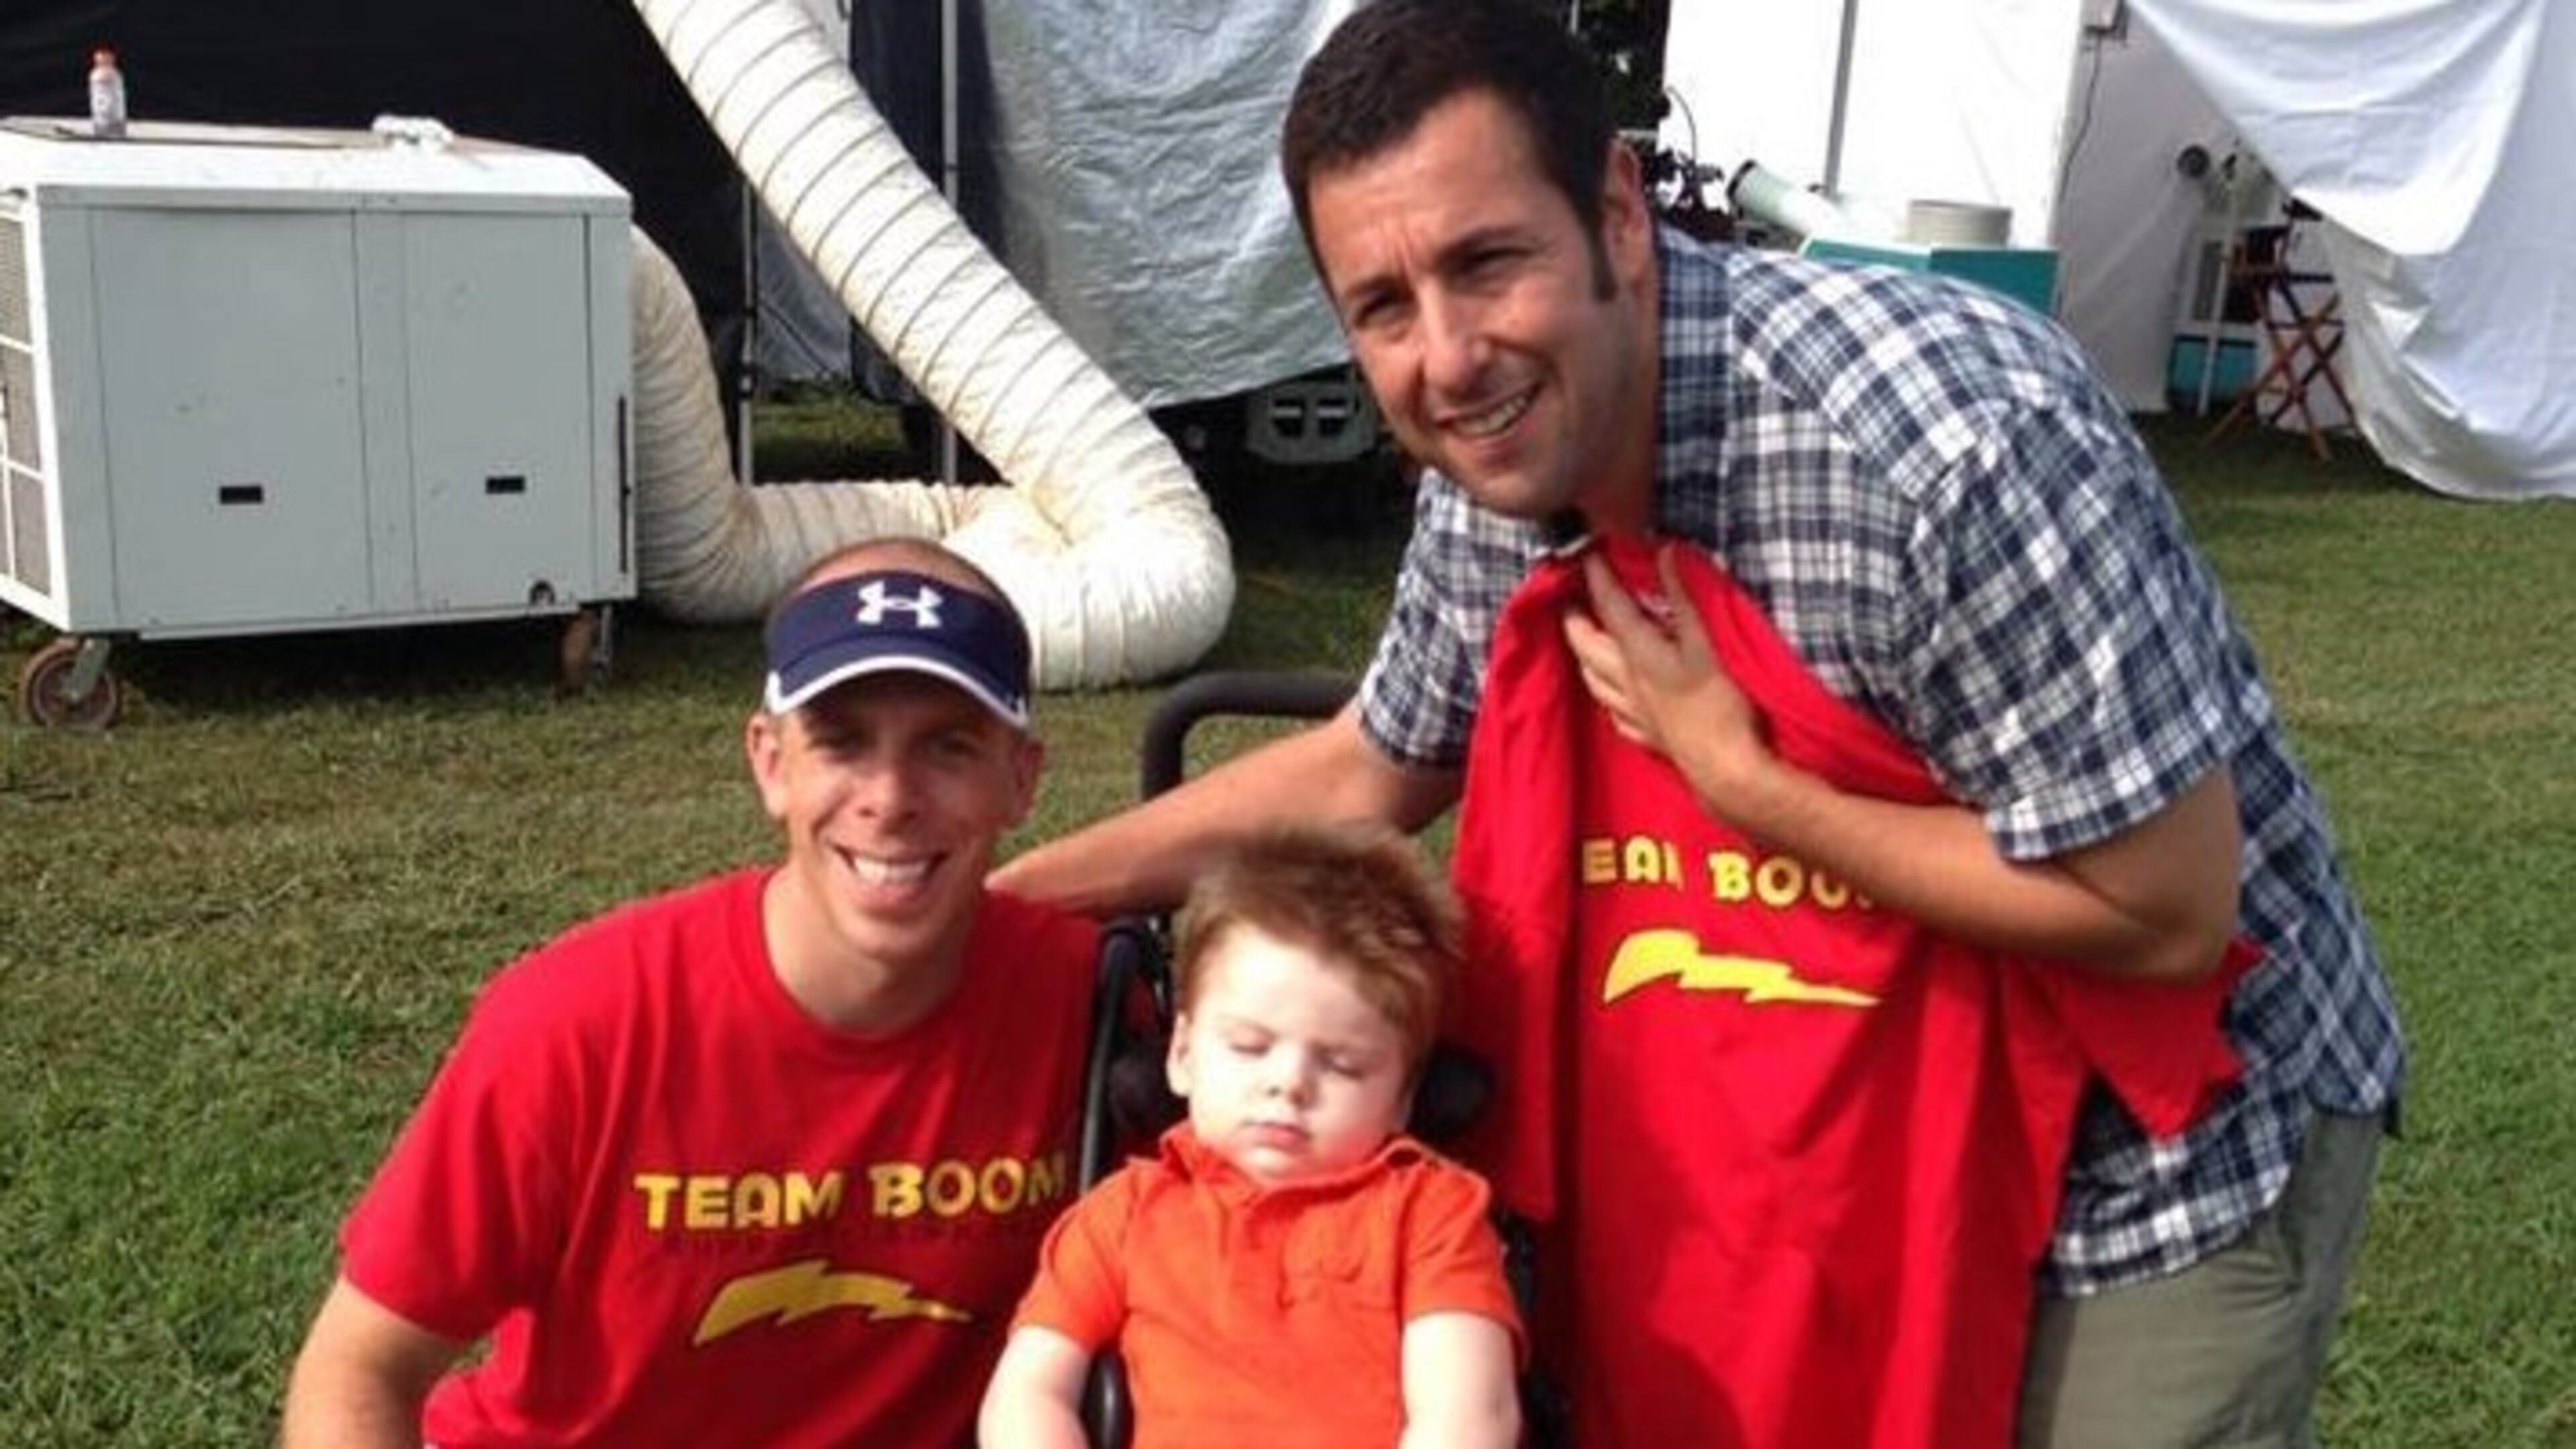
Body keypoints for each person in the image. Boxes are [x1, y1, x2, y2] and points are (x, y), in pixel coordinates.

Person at [991, 3, 2404, 1445]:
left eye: (1489, 263)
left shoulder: (1951, 446)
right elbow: (1381, 758)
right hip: (1849, 1137)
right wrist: (1008, 911)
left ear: (1616, 210)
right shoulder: (1498, 460)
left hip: (2157, 1145)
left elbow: (2164, 908)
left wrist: (1748, 782)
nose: (1451, 356)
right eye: (1384, 307)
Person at [281, 537, 1099, 1448]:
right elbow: (359, 1365)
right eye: (841, 740)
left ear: (1020, 778)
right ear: (770, 763)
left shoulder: (1097, 1011)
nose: (889, 797)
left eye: (948, 746)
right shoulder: (584, 1018)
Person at [977, 823, 1521, 1448]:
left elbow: (1468, 1419)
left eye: (1342, 1065)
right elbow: (1027, 1390)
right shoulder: (1124, 1215)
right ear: (1181, 1053)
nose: (1287, 1084)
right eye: (1250, 1047)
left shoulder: (1432, 1217)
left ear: (1404, 1097)